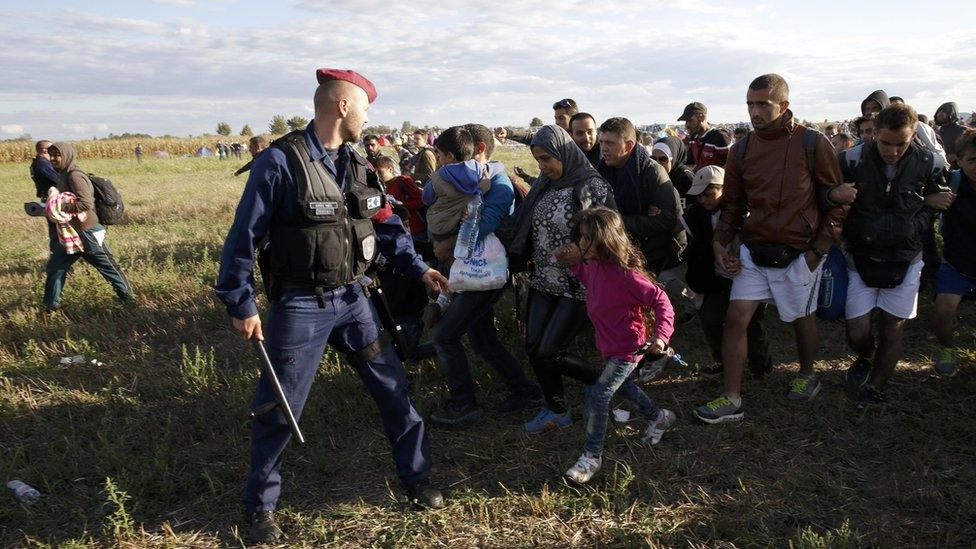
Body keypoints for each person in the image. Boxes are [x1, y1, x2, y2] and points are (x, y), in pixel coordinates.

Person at [213, 68, 449, 544]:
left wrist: (418, 268)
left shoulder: (358, 163)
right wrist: (240, 302)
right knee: (280, 408)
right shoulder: (280, 163)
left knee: (393, 389)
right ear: (343, 106)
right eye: (365, 106)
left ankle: (416, 479)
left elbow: (385, 224)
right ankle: (260, 509)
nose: (367, 116)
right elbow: (243, 235)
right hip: (300, 305)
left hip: (354, 300)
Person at [695, 73, 851, 424]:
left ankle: (807, 374)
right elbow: (733, 203)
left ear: (784, 105)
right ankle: (731, 397)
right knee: (735, 319)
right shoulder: (742, 148)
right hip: (755, 249)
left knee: (800, 318)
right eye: (750, 104)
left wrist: (818, 251)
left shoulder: (813, 143)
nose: (755, 111)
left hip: (800, 252)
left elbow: (837, 201)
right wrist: (720, 241)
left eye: (762, 104)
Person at [423, 124, 543, 426]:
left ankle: (463, 404)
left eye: (447, 156)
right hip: (473, 273)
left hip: (486, 274)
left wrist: (445, 246)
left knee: (445, 335)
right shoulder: (473, 181)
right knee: (482, 338)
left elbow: (481, 226)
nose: (447, 162)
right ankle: (525, 391)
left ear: (478, 149)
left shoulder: (499, 184)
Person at [553, 207, 677, 484]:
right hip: (608, 345)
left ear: (606, 240)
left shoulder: (627, 275)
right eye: (581, 237)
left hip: (628, 348)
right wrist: (573, 263)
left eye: (588, 238)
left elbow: (661, 301)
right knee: (625, 388)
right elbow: (588, 279)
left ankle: (591, 456)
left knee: (600, 394)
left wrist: (661, 336)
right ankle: (659, 417)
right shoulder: (595, 266)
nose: (582, 243)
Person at [839, 104, 951, 407]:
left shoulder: (930, 162)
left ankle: (876, 387)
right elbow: (834, 197)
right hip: (861, 256)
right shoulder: (852, 159)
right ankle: (865, 356)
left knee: (893, 327)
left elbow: (940, 200)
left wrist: (917, 219)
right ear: (874, 133)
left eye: (900, 143)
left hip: (906, 258)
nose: (892, 150)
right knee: (858, 330)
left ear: (913, 134)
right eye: (885, 142)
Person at [506, 125, 614, 434]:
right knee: (533, 346)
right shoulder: (546, 182)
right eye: (538, 160)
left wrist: (582, 252)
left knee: (549, 351)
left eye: (547, 159)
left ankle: (598, 380)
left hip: (577, 283)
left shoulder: (590, 184)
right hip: (543, 279)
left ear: (564, 152)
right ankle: (556, 409)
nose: (543, 167)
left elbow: (605, 232)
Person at [682, 165, 771, 378]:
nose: (704, 200)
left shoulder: (744, 210)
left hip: (749, 278)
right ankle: (724, 362)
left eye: (709, 194)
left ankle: (760, 367)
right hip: (716, 279)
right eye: (699, 196)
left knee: (752, 324)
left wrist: (744, 262)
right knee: (711, 320)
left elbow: (757, 242)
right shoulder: (696, 214)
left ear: (724, 189)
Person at [43, 142, 133, 312]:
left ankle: (130, 300)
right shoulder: (63, 174)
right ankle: (50, 307)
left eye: (57, 155)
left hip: (88, 231)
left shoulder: (75, 176)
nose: (53, 158)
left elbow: (86, 204)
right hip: (71, 233)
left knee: (108, 267)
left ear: (67, 155)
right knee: (55, 267)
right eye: (51, 155)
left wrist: (59, 207)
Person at [597, 117, 685, 275]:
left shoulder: (653, 172)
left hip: (658, 257)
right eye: (602, 142)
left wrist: (617, 221)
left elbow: (668, 220)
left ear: (629, 145)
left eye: (610, 143)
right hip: (622, 252)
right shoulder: (602, 170)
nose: (603, 148)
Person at [932, 129, 976, 376]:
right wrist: (935, 200)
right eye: (972, 159)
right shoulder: (951, 182)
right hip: (957, 263)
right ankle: (947, 349)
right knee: (942, 312)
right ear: (959, 159)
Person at [375, 155, 428, 242]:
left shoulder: (403, 180)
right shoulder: (385, 188)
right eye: (376, 174)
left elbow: (421, 200)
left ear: (390, 169)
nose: (378, 176)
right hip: (402, 232)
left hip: (416, 229)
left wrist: (400, 206)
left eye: (380, 172)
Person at [678, 102, 731, 170]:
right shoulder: (693, 138)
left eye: (690, 120)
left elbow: (732, 164)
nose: (686, 125)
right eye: (686, 121)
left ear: (702, 118)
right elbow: (691, 162)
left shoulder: (719, 137)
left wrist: (714, 177)